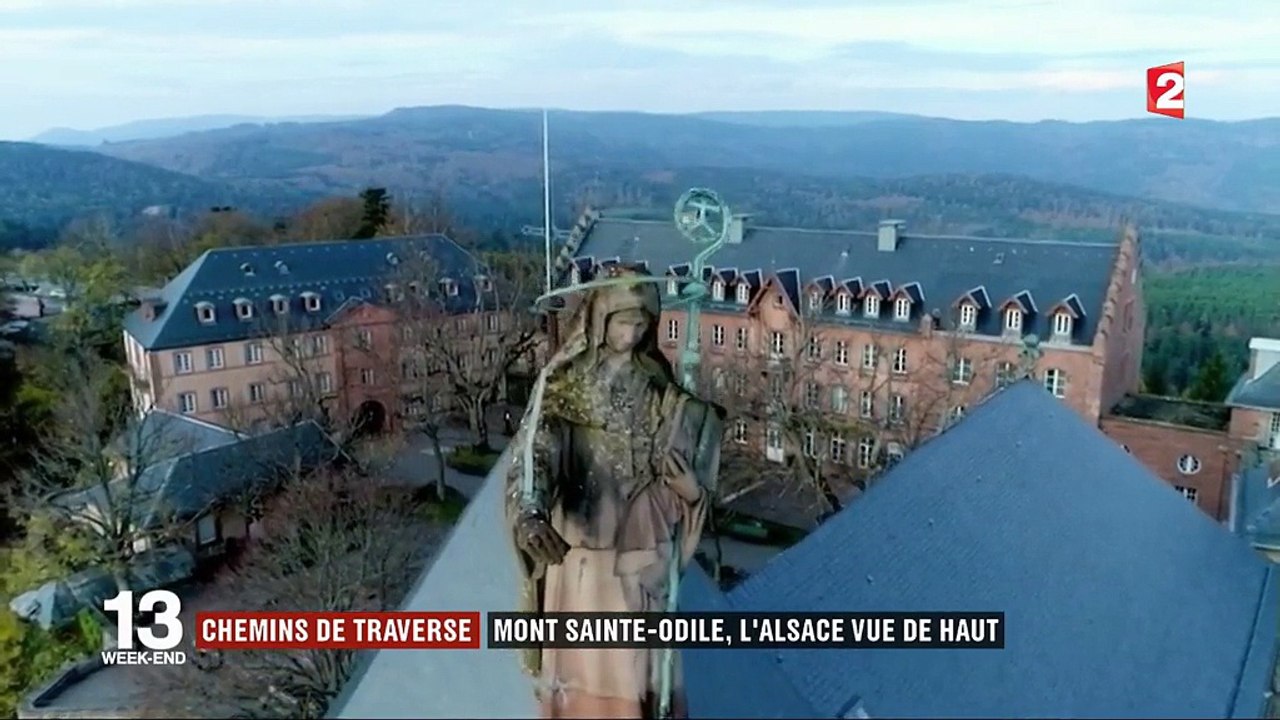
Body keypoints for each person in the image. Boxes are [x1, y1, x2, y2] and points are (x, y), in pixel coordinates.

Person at [505, 264, 724, 719]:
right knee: (589, 677)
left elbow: (687, 450)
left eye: (641, 323)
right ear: (600, 321)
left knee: (641, 673)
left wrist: (691, 479)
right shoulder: (563, 387)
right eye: (624, 320)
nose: (632, 331)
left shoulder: (659, 390)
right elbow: (535, 455)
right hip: (583, 560)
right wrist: (529, 510)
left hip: (641, 562)